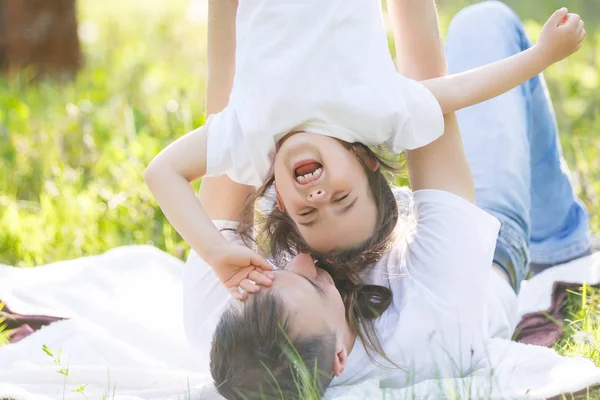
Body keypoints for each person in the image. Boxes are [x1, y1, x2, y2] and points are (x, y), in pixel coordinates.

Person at [182, 1, 592, 399]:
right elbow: (425, 84)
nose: (304, 263)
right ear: (339, 358)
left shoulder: (229, 325)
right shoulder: (431, 322)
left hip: (363, 210)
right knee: (484, 23)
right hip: (484, 249)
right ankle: (558, 240)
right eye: (316, 284)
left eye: (273, 274)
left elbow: (229, 109)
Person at [144, 0, 585, 300]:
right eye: (343, 198)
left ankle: (560, 240)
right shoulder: (378, 115)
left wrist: (215, 252)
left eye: (308, 214)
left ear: (279, 197)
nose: (318, 198)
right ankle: (561, 242)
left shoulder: (247, 140)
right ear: (367, 161)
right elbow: (461, 90)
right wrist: (542, 55)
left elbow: (161, 174)